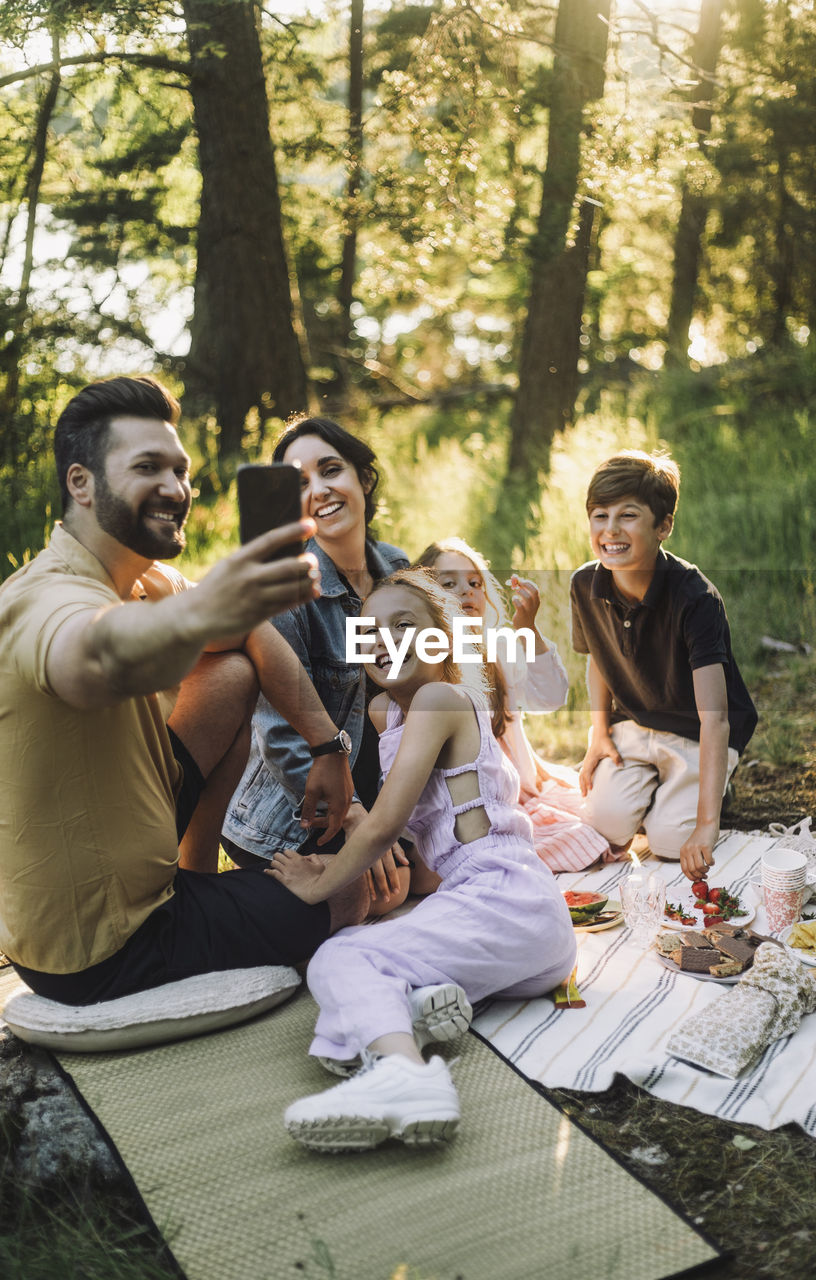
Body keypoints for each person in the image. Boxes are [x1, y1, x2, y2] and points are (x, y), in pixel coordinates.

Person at [0, 375, 369, 1006]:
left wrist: (327, 747)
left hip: (139, 848)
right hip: (99, 944)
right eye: (148, 468)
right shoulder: (44, 599)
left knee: (229, 671)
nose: (175, 490)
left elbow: (248, 633)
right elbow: (88, 659)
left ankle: (196, 878)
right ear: (81, 483)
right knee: (346, 891)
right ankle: (194, 914)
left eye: (181, 470)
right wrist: (203, 614)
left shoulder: (141, 576)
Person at [266, 569, 575, 1152]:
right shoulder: (397, 716)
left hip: (506, 898)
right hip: (527, 937)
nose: (386, 641)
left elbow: (383, 824)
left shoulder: (440, 699)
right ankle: (416, 1013)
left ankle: (405, 1075)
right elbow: (432, 855)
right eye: (369, 633)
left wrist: (320, 883)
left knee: (338, 960)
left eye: (405, 626)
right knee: (387, 956)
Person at [222, 416, 426, 912]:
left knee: (442, 868)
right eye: (299, 483)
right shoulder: (288, 587)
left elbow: (423, 690)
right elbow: (281, 737)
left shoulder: (397, 569)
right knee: (380, 893)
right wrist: (358, 820)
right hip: (295, 811)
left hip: (378, 793)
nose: (319, 490)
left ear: (364, 479)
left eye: (331, 470)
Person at [570, 449, 758, 882]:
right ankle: (658, 791)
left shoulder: (696, 599)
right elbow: (600, 659)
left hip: (694, 731)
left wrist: (707, 826)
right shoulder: (585, 583)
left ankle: (713, 786)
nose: (611, 530)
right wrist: (598, 733)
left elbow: (716, 720)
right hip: (634, 724)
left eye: (628, 516)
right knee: (606, 826)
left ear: (663, 526)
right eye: (600, 515)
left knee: (673, 842)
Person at [416, 538, 610, 872]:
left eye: (475, 583)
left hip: (521, 791)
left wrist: (527, 631)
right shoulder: (424, 665)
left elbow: (551, 696)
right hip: (468, 802)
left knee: (602, 819)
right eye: (449, 583)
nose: (466, 590)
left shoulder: (499, 650)